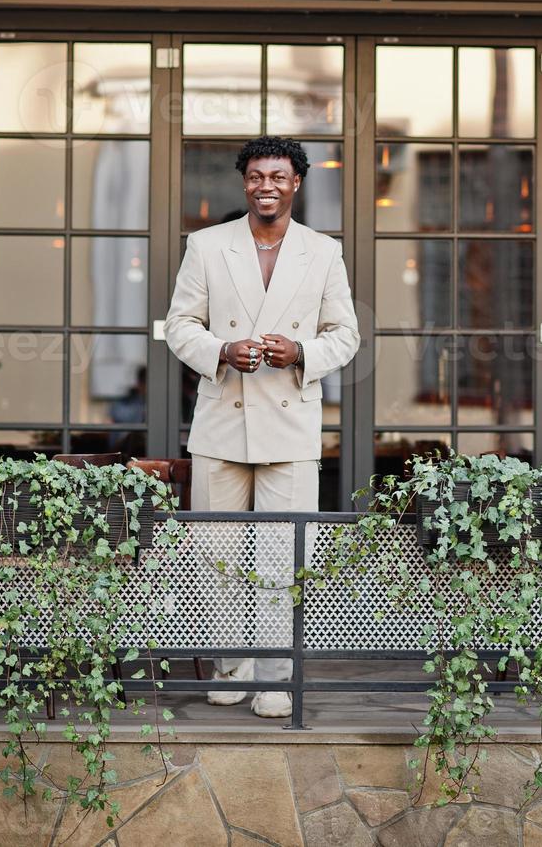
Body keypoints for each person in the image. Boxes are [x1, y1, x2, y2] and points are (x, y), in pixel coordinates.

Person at [164, 135, 360, 717]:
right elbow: (179, 325)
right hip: (222, 424)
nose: (265, 185)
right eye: (255, 176)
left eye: (277, 175)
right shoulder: (205, 245)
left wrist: (298, 352)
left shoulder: (323, 252)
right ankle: (231, 665)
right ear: (244, 182)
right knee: (217, 557)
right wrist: (222, 349)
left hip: (290, 426)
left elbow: (345, 335)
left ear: (296, 182)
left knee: (283, 557)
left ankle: (276, 677)